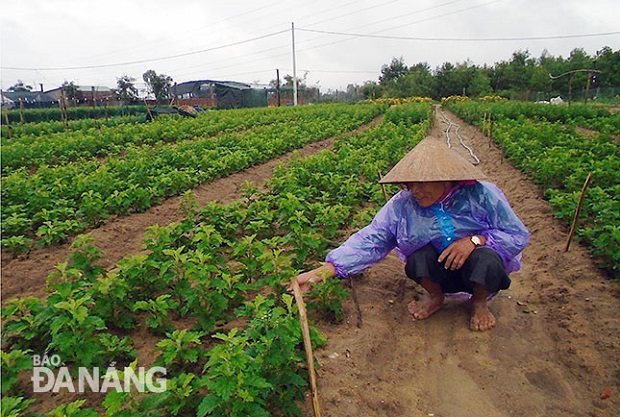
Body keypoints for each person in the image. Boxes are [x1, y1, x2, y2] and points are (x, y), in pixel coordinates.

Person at [290, 137, 530, 331]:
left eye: (422, 183)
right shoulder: (402, 205)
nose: (415, 190)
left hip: (475, 270)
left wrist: (475, 241)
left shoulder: (481, 195)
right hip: (439, 270)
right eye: (409, 184)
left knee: (487, 259)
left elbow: (516, 235)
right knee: (417, 259)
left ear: (445, 180)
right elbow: (372, 239)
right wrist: (323, 272)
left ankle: (478, 302)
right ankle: (436, 297)